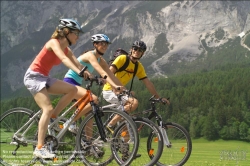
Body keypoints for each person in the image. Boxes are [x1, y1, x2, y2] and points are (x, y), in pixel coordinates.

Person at [23, 18, 90, 159]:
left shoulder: (67, 48)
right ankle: (39, 147)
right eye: (75, 33)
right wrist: (79, 72)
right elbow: (65, 60)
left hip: (45, 78)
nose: (77, 36)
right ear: (66, 32)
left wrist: (85, 72)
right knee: (47, 108)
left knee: (72, 89)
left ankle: (53, 118)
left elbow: (76, 63)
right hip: (33, 77)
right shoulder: (54, 43)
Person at [63, 34, 124, 136]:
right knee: (94, 99)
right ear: (95, 44)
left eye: (106, 44)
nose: (105, 46)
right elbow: (101, 72)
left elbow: (110, 75)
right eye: (102, 44)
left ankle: (89, 144)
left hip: (77, 84)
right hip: (69, 82)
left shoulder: (101, 59)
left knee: (89, 114)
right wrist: (114, 86)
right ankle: (70, 122)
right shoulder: (90, 55)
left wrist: (122, 88)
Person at [102, 40, 170, 129]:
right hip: (109, 90)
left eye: (140, 50)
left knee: (127, 125)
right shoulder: (122, 58)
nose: (137, 51)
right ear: (131, 49)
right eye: (135, 49)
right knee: (134, 103)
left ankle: (121, 141)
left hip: (120, 92)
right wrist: (115, 87)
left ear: (143, 53)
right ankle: (110, 125)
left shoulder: (138, 66)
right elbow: (109, 73)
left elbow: (148, 83)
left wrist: (158, 98)